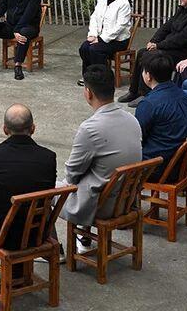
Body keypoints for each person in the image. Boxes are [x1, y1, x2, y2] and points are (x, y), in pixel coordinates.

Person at [59, 65, 141, 254]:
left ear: (88, 92)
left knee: (44, 190)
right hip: (127, 199)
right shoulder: (132, 120)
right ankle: (83, 238)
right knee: (96, 171)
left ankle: (53, 251)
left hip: (101, 204)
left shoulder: (90, 129)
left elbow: (72, 174)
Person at [0, 104, 56, 282]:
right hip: (37, 233)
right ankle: (18, 268)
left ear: (5, 129)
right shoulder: (48, 157)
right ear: (33, 129)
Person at [119, 0, 187, 106]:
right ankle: (134, 91)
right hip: (171, 47)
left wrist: (159, 46)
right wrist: (153, 41)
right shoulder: (182, 10)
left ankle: (146, 94)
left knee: (150, 56)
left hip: (185, 52)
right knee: (142, 52)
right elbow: (166, 27)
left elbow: (182, 39)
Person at [134, 54, 187, 179]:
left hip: (157, 167)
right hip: (179, 162)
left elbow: (138, 138)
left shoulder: (149, 103)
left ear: (148, 76)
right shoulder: (182, 94)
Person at [78, 0, 133, 80]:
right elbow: (94, 17)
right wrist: (93, 34)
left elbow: (119, 27)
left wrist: (101, 39)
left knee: (95, 49)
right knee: (84, 47)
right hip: (100, 37)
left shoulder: (123, 3)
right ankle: (89, 76)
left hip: (118, 41)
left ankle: (102, 78)